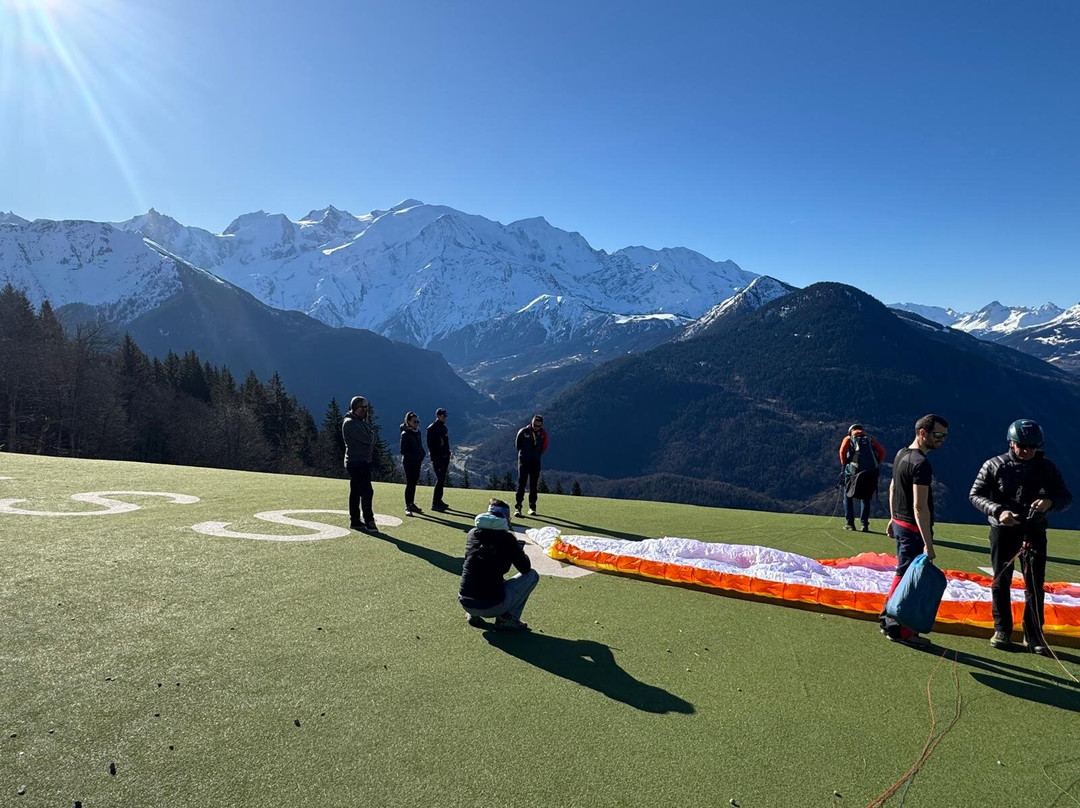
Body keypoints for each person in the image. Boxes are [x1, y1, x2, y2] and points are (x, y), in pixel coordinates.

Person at [968, 419, 1072, 656]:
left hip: (1035, 530)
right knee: (1001, 580)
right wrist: (998, 511)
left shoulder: (1048, 468)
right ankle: (1002, 629)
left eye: (1032, 447)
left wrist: (1050, 503)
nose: (1026, 451)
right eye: (1021, 446)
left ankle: (1034, 634)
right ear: (1011, 443)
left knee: (1035, 584)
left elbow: (1066, 497)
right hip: (1003, 530)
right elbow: (975, 495)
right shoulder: (994, 465)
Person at [880, 413, 949, 647]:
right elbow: (919, 506)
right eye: (938, 435)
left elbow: (892, 488)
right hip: (912, 527)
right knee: (910, 579)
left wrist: (892, 517)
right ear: (923, 433)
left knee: (902, 572)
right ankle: (900, 630)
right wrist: (928, 544)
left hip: (900, 523)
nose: (941, 440)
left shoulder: (901, 454)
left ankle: (887, 620)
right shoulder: (921, 464)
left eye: (944, 436)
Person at [458, 499, 539, 631]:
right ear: (506, 518)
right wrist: (518, 551)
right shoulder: (507, 538)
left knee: (477, 571)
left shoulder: (472, 533)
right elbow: (525, 568)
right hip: (491, 606)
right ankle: (506, 619)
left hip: (465, 601)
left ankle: (473, 614)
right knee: (532, 576)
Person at [839, 424, 886, 532]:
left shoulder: (848, 438)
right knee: (866, 497)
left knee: (848, 495)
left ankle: (850, 523)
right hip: (870, 472)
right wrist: (876, 463)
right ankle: (864, 524)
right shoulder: (870, 439)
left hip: (854, 472)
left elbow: (842, 452)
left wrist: (845, 464)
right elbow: (882, 452)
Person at [342, 395, 376, 531]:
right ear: (357, 408)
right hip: (356, 463)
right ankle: (369, 520)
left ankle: (355, 520)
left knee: (355, 491)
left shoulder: (359, 421)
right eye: (364, 407)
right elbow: (368, 438)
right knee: (367, 491)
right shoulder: (350, 423)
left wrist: (371, 436)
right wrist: (371, 436)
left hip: (362, 461)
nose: (367, 410)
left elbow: (371, 437)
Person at [514, 414, 549, 517]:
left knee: (534, 486)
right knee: (521, 484)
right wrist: (525, 455)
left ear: (541, 425)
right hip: (524, 462)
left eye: (538, 426)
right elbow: (518, 445)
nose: (536, 427)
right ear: (532, 423)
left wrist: (536, 455)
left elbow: (545, 447)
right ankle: (518, 508)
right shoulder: (523, 432)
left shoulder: (543, 434)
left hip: (535, 462)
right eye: (535, 425)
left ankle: (532, 508)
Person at [399, 411, 425, 517]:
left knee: (414, 483)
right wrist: (413, 455)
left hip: (417, 461)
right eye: (414, 421)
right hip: (409, 462)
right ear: (408, 421)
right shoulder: (405, 434)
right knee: (410, 483)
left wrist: (422, 454)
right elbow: (403, 450)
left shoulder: (417, 432)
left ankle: (412, 503)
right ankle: (408, 505)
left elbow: (420, 445)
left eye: (417, 421)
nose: (416, 423)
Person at [427, 408, 451, 512]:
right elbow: (430, 445)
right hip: (438, 458)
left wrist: (447, 453)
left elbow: (446, 443)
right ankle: (435, 503)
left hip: (445, 457)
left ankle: (439, 500)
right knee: (440, 479)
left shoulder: (444, 428)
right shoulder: (432, 428)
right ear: (438, 416)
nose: (445, 417)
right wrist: (436, 456)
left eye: (445, 416)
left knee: (442, 479)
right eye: (443, 416)